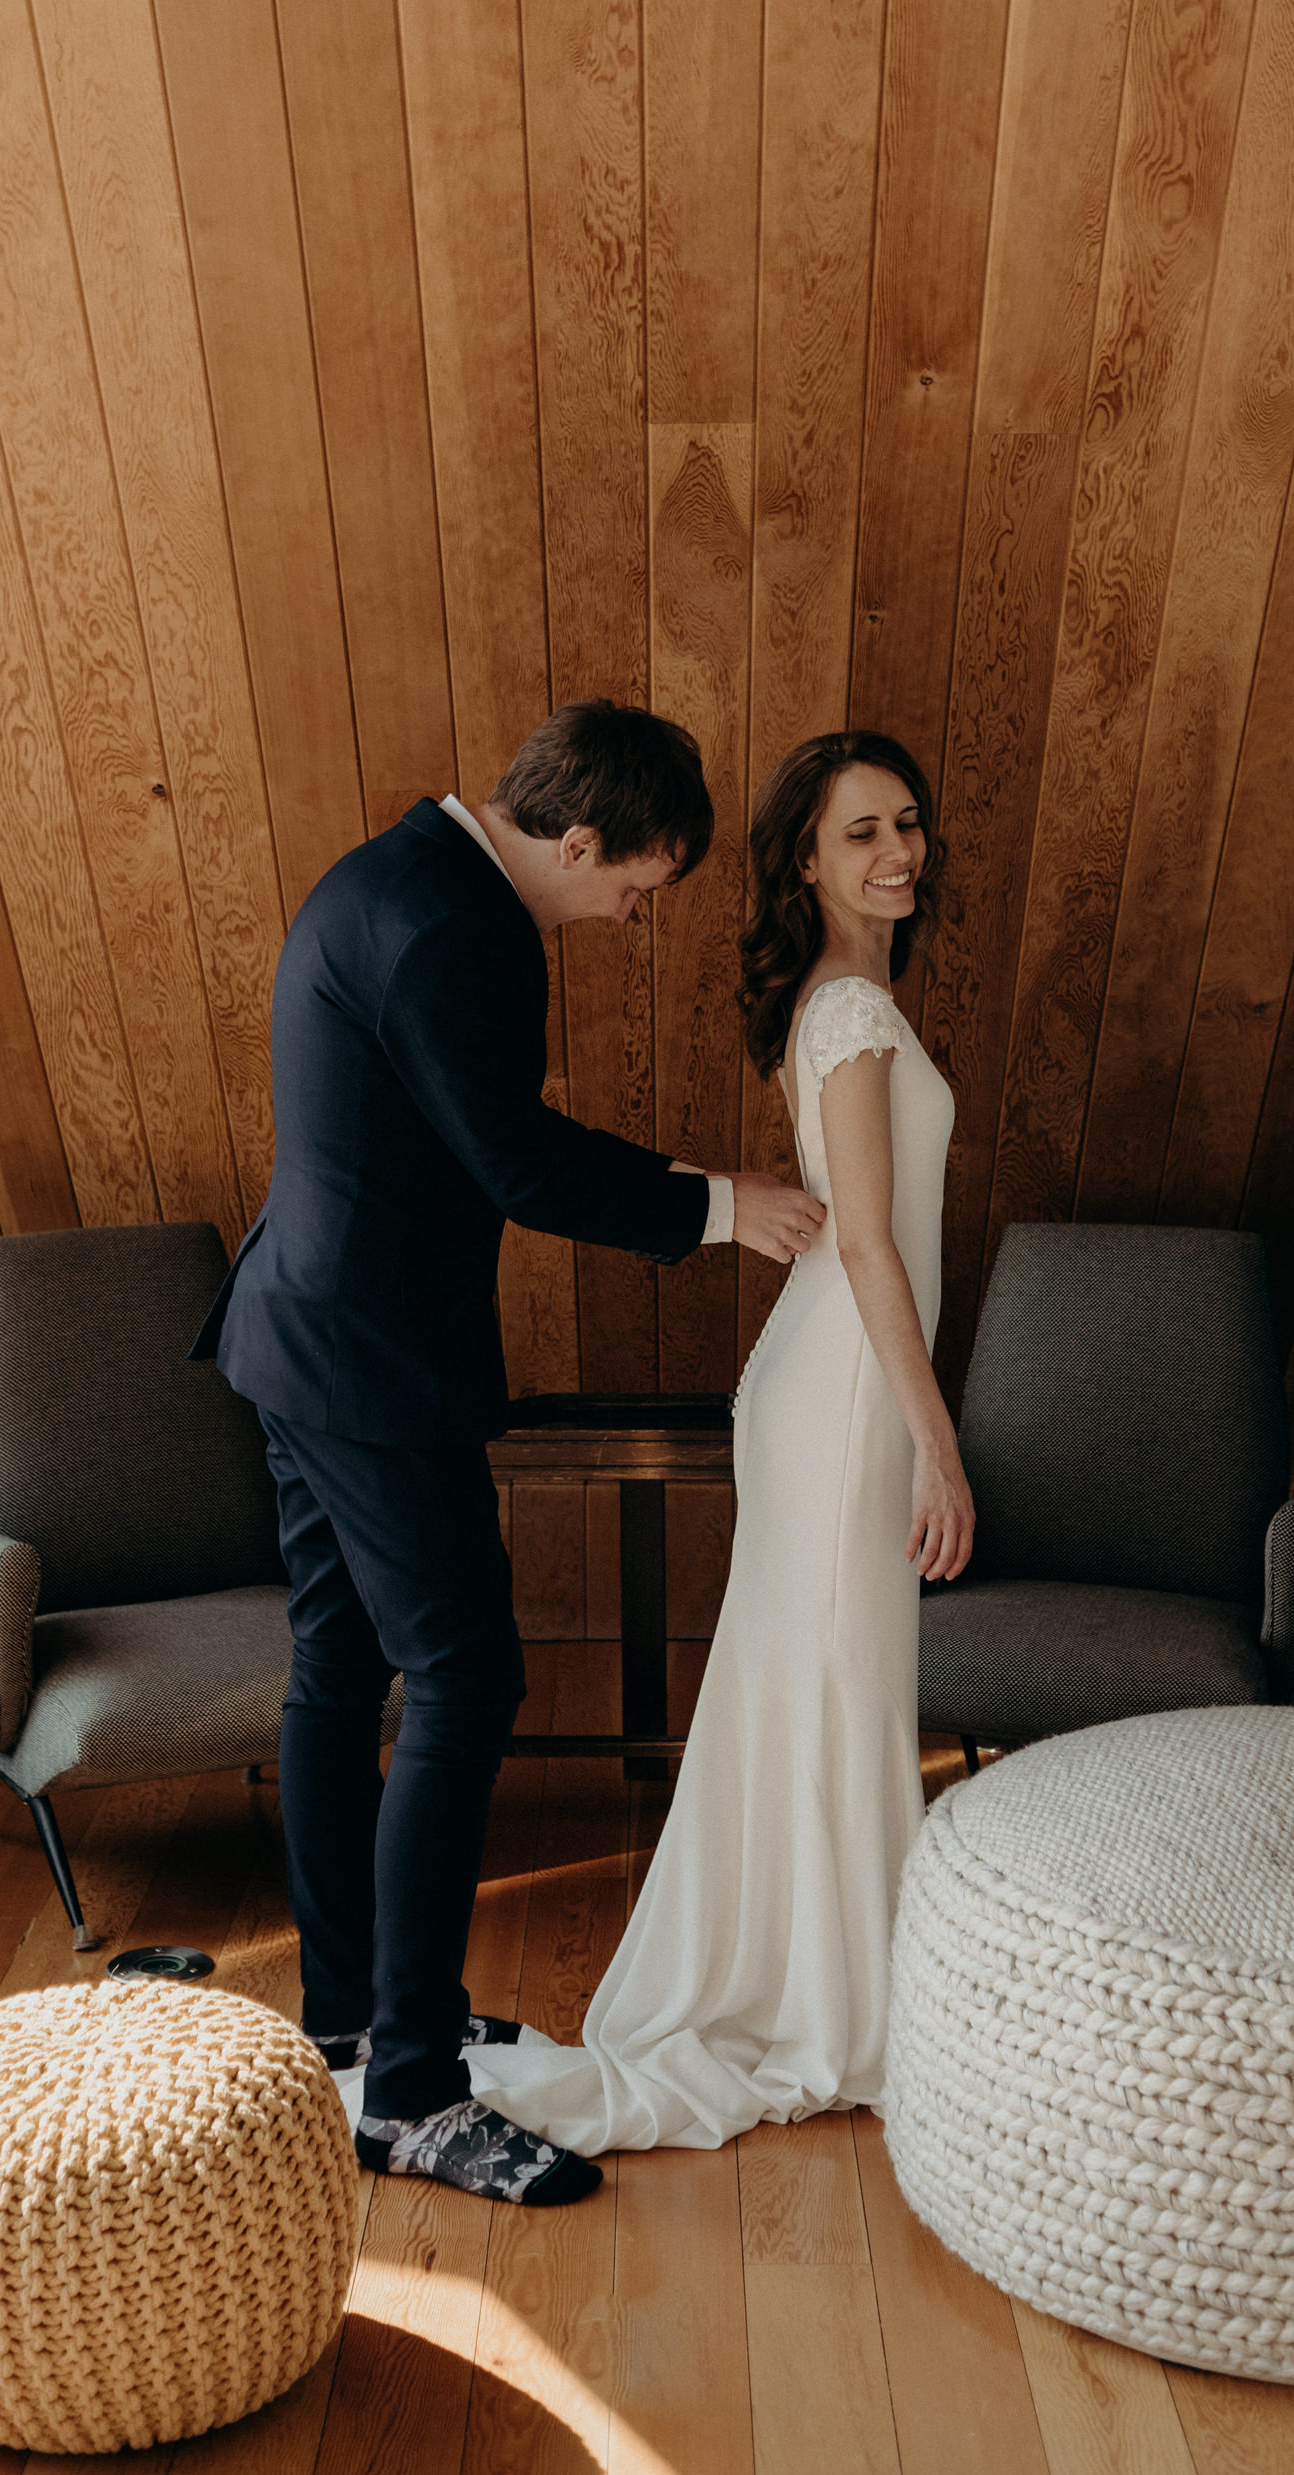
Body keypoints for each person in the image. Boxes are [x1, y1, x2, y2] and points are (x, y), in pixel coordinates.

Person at [193, 703, 824, 2207]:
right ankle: (409, 2089)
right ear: (581, 836)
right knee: (467, 1680)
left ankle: (348, 2017)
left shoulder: (389, 877)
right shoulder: (452, 933)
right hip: (364, 1368)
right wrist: (724, 1206)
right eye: (637, 886)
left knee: (339, 1671)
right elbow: (518, 1161)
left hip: (296, 1336)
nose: (630, 915)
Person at [463, 729, 975, 2153]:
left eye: (908, 824)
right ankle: (835, 1996)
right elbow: (868, 1242)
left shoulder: (847, 1001)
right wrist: (940, 1441)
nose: (898, 854)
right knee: (836, 1678)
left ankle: (837, 1979)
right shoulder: (851, 1017)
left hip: (828, 1375)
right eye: (861, 833)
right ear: (805, 863)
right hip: (853, 1386)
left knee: (829, 1677)